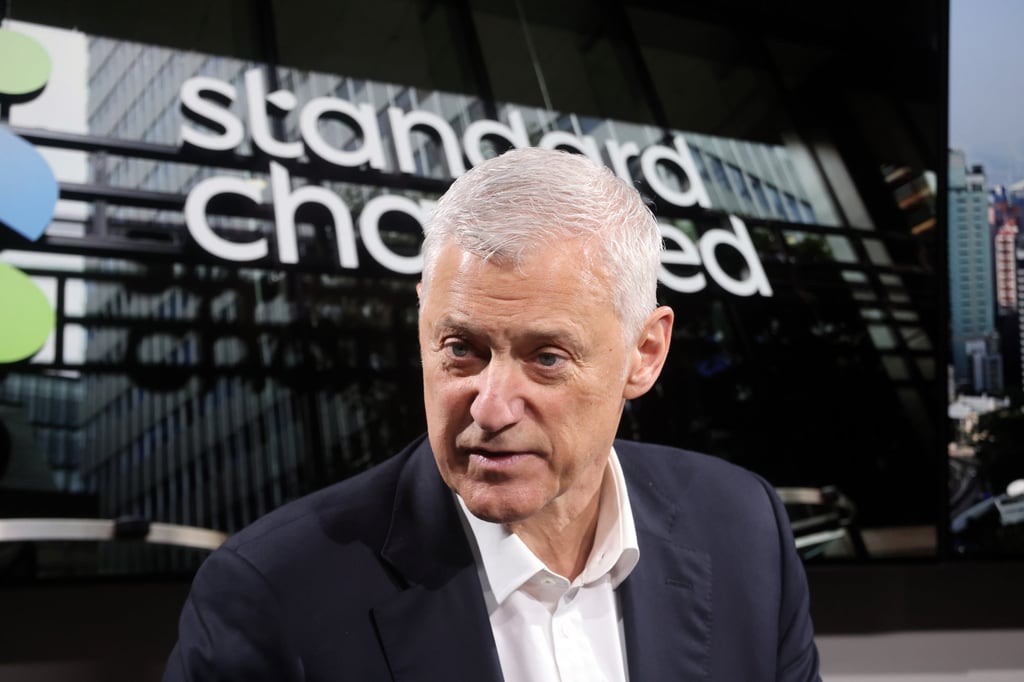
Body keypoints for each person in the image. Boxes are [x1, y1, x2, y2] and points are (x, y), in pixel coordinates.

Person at [163, 147, 821, 681]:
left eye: (547, 358)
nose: (491, 406)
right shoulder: (271, 594)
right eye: (461, 349)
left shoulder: (745, 528)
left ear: (644, 353)